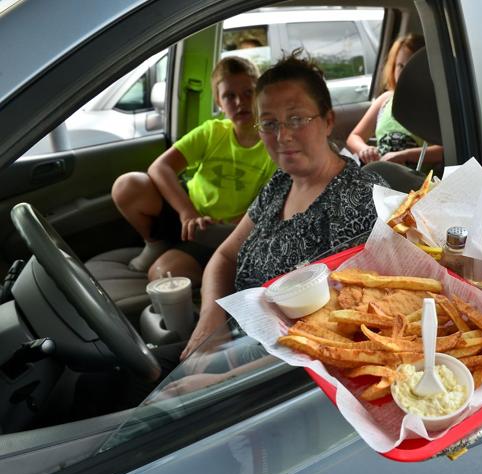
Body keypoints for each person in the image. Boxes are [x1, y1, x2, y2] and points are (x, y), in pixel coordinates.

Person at [179, 50, 386, 360]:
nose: (282, 135)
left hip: (276, 366)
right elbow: (224, 256)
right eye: (269, 123)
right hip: (230, 337)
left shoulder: (358, 199)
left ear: (328, 121)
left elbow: (339, 333)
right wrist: (211, 317)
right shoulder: (282, 181)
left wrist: (231, 373)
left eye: (296, 119)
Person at [111, 56, 277, 285]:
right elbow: (160, 167)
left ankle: (203, 266)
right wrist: (187, 212)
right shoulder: (212, 132)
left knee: (163, 275)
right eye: (229, 96)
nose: (240, 102)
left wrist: (236, 223)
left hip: (223, 230)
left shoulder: (273, 145)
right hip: (188, 211)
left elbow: (271, 201)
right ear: (218, 101)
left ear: (260, 96)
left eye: (248, 93)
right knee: (127, 185)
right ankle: (156, 243)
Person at [346, 34, 443, 167]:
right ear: (393, 67)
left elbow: (443, 150)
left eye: (410, 67)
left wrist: (406, 155)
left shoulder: (434, 105)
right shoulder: (385, 99)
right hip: (380, 171)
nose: (404, 73)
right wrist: (365, 149)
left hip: (413, 177)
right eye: (400, 66)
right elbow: (354, 137)